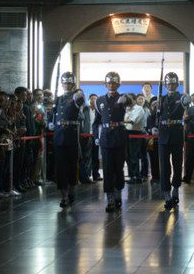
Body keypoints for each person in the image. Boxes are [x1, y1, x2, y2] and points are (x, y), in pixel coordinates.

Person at [92, 71, 130, 212]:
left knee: (118, 168)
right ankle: (110, 198)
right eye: (109, 83)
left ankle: (118, 194)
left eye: (114, 83)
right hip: (106, 137)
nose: (111, 85)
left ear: (119, 84)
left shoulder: (123, 98)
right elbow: (96, 122)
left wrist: (125, 100)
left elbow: (130, 101)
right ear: (105, 84)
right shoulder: (99, 101)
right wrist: (96, 136)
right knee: (107, 169)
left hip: (119, 136)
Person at [152, 72, 190, 209]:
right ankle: (166, 194)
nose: (170, 85)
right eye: (168, 83)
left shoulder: (181, 97)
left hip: (176, 133)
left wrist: (187, 99)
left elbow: (186, 102)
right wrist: (154, 127)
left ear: (177, 84)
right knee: (164, 166)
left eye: (173, 83)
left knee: (177, 164)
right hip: (163, 134)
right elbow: (154, 116)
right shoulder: (160, 99)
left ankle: (175, 189)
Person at [50, 72, 86, 208]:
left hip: (71, 135)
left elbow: (80, 103)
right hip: (59, 135)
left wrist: (79, 97)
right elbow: (53, 114)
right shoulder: (58, 99)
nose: (67, 85)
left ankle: (71, 191)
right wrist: (50, 122)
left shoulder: (76, 96)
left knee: (72, 166)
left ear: (73, 84)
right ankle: (63, 196)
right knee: (60, 167)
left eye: (69, 83)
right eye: (65, 83)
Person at [125, 92, 147, 183]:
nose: (127, 101)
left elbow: (134, 121)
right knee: (128, 156)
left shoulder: (139, 108)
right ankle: (132, 175)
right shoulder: (127, 109)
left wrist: (121, 121)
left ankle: (135, 176)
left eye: (129, 99)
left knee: (134, 156)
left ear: (134, 99)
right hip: (127, 133)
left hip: (136, 133)